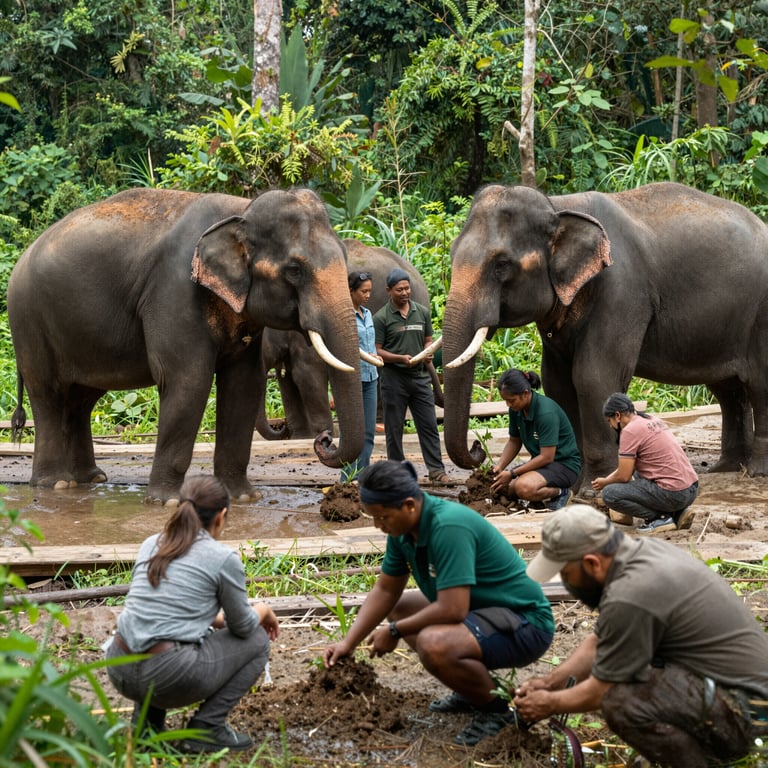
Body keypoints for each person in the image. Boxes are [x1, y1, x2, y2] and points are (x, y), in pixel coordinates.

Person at [514, 504, 768, 768]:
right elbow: (599, 642)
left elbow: (602, 689)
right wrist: (550, 683)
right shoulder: (643, 553)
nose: (567, 583)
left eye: (566, 574)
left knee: (621, 702)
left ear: (592, 563)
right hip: (736, 690)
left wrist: (549, 703)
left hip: (752, 712)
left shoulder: (631, 594)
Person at [322, 460, 554, 746]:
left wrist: (393, 632)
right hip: (480, 614)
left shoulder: (448, 526)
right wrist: (349, 642)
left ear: (409, 505)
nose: (378, 526)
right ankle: (471, 688)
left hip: (524, 623)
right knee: (401, 608)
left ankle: (496, 712)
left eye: (382, 518)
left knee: (433, 644)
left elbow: (452, 609)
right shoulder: (402, 529)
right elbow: (385, 589)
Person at [106, 475, 279, 753]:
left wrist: (218, 620)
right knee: (258, 641)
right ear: (221, 517)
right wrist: (264, 609)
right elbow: (245, 627)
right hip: (166, 676)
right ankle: (207, 728)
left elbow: (166, 607)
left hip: (119, 666)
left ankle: (146, 728)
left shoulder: (152, 543)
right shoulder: (222, 558)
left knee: (157, 640)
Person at [373, 267, 450, 484]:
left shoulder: (421, 312)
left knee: (428, 425)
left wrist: (428, 352)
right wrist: (399, 358)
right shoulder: (381, 318)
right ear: (389, 291)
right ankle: (397, 473)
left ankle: (436, 471)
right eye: (399, 290)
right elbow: (377, 350)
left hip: (420, 378)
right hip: (393, 379)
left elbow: (428, 339)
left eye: (407, 288)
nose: (405, 293)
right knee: (394, 428)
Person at [590, 392, 699, 533]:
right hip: (692, 489)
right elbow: (628, 469)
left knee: (610, 494)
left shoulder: (629, 431)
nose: (610, 426)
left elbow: (624, 476)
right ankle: (678, 513)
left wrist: (605, 483)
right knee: (637, 471)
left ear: (617, 416)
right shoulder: (651, 419)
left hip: (675, 494)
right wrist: (607, 478)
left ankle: (660, 518)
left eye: (609, 421)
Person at [490, 369, 581, 510]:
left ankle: (562, 492)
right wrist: (500, 466)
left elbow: (546, 457)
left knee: (523, 488)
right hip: (542, 465)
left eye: (511, 400)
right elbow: (514, 441)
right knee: (509, 489)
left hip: (564, 465)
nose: (508, 404)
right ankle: (539, 496)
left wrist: (513, 473)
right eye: (505, 401)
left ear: (525, 393)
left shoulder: (546, 413)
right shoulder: (516, 409)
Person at [341, 270, 383, 482]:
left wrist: (373, 356)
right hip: (352, 380)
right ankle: (347, 479)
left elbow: (367, 346)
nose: (367, 295)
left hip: (371, 377)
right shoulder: (343, 317)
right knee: (352, 434)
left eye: (369, 291)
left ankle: (362, 478)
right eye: (363, 291)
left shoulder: (367, 314)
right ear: (350, 291)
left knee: (368, 433)